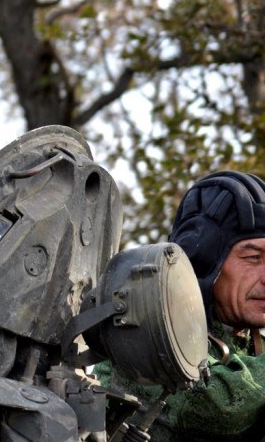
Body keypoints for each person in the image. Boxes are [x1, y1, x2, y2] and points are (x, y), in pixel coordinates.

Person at [96, 170, 265, 441]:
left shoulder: (253, 349)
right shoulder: (144, 332)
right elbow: (219, 405)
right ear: (205, 260)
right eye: (253, 258)